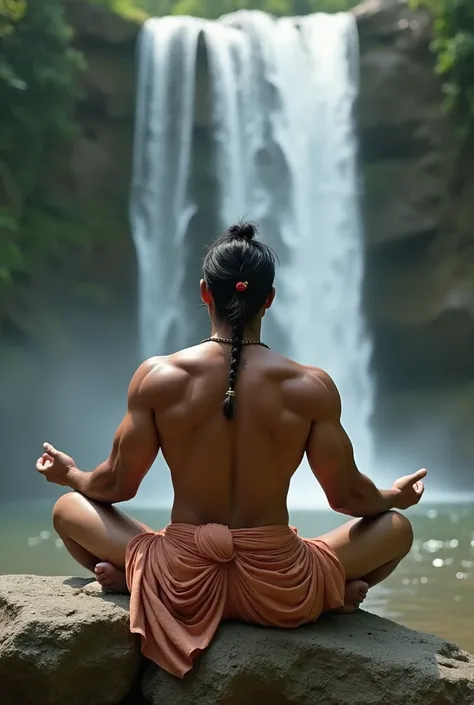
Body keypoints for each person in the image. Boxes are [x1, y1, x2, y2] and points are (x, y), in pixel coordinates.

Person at [36, 222, 426, 678]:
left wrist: (71, 476)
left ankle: (136, 584)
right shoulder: (308, 386)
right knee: (396, 529)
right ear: (270, 299)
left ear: (205, 293)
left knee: (68, 508)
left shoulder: (159, 377)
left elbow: (115, 486)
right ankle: (329, 598)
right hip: (282, 586)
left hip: (180, 579)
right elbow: (347, 498)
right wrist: (393, 498)